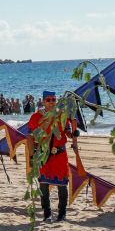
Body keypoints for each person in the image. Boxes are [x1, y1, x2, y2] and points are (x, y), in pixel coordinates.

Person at [26, 90, 75, 222]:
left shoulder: (62, 115)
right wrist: (31, 157)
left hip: (60, 155)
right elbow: (29, 138)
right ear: (43, 102)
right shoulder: (35, 117)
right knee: (43, 185)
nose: (52, 102)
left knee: (62, 185)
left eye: (54, 99)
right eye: (49, 100)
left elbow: (69, 133)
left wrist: (74, 134)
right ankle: (47, 214)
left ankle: (62, 214)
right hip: (43, 155)